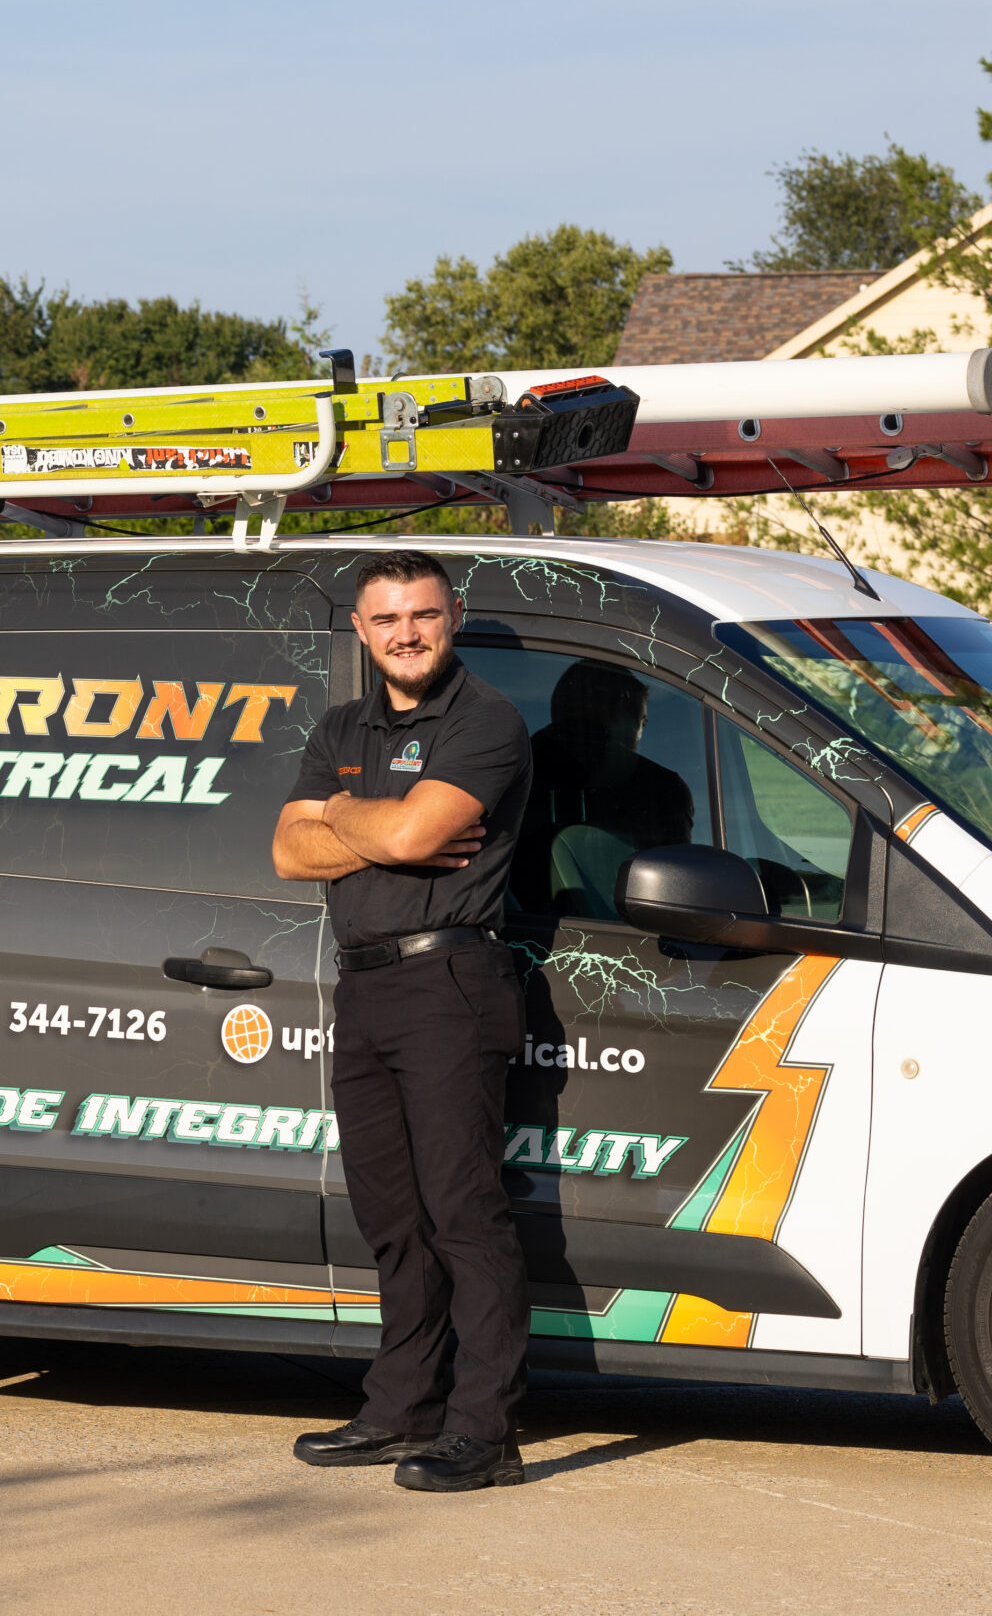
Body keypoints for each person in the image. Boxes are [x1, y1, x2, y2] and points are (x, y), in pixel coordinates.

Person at [271, 548, 534, 1492]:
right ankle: (401, 1409)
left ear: (450, 615)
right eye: (387, 620)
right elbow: (288, 854)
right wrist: (362, 816)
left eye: (421, 615)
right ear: (361, 630)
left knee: (464, 1211)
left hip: (450, 982)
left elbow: (424, 836)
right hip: (367, 986)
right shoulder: (342, 725)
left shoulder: (487, 721)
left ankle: (485, 1429)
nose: (406, 634)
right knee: (392, 1214)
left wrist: (339, 816)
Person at [517, 660, 696, 918]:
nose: (641, 735)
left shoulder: (511, 769)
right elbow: (684, 898)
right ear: (623, 706)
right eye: (643, 722)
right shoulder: (661, 788)